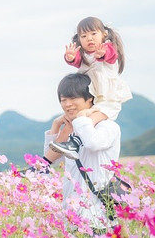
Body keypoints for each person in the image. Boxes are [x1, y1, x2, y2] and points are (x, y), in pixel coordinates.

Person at [41, 74, 121, 231]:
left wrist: (82, 118)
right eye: (63, 100)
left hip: (97, 215)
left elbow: (92, 142)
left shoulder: (108, 127)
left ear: (90, 98)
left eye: (73, 99)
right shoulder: (74, 129)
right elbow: (48, 162)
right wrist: (55, 128)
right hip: (71, 215)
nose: (67, 105)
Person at [50, 17, 131, 160]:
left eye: (94, 34)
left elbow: (111, 56)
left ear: (104, 34)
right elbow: (76, 62)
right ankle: (73, 143)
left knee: (86, 119)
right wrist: (70, 57)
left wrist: (102, 54)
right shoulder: (84, 55)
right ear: (79, 39)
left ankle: (75, 142)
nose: (89, 39)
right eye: (84, 36)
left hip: (108, 99)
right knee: (82, 118)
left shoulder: (107, 47)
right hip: (93, 98)